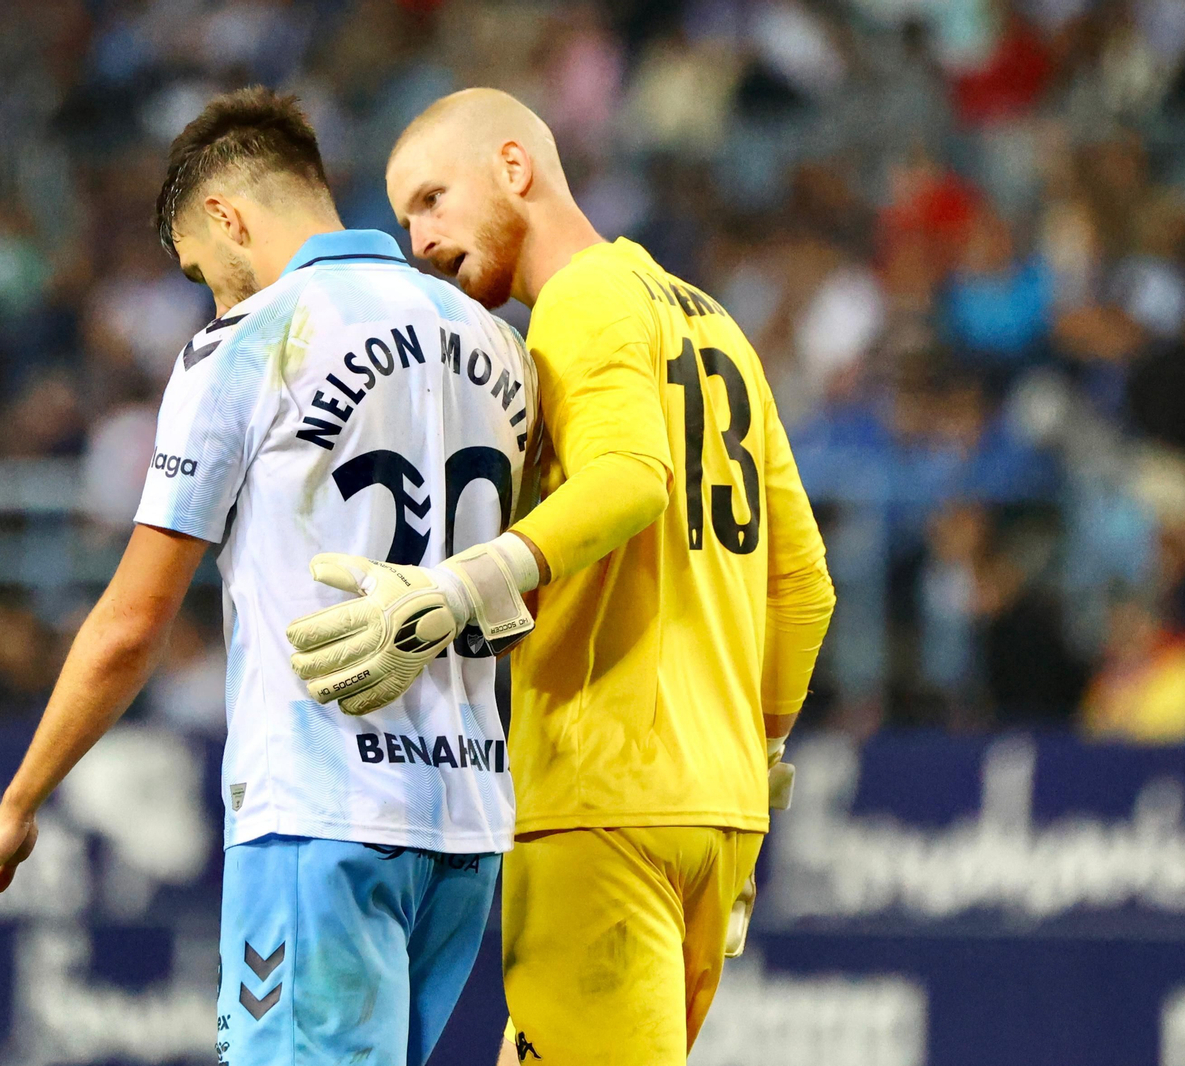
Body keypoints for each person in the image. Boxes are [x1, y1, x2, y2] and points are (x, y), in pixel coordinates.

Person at [0, 86, 540, 1066]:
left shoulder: (252, 339)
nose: (211, 296)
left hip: (319, 814)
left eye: (200, 270)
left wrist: (18, 803)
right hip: (468, 826)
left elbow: (133, 620)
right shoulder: (496, 339)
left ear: (227, 216)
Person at [286, 89, 835, 1065]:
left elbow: (630, 477)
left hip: (602, 796)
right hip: (717, 813)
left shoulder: (579, 301)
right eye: (406, 219)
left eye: (431, 199)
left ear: (514, 167)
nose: (418, 239)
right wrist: (757, 758)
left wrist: (455, 588)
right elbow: (803, 584)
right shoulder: (714, 326)